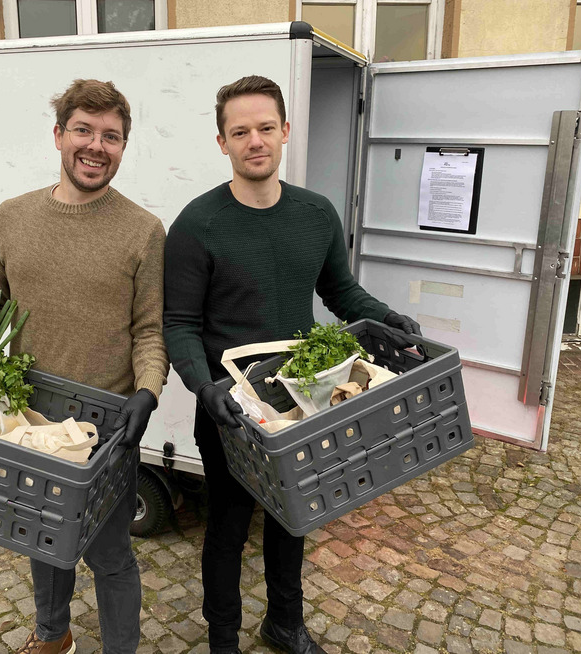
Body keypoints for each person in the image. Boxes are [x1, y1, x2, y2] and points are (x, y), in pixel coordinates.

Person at [163, 75, 420, 654]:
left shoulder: (316, 213)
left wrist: (385, 317)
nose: (254, 141)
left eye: (263, 128)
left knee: (293, 517)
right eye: (239, 132)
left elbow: (340, 290)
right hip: (229, 407)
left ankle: (284, 622)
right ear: (223, 143)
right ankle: (223, 636)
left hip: (300, 397)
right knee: (228, 528)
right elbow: (178, 324)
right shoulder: (197, 225)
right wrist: (205, 391)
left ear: (284, 131)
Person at [0, 79, 169, 654]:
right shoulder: (12, 218)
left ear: (123, 147)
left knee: (110, 556)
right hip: (28, 416)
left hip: (104, 426)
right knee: (43, 536)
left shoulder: (144, 231)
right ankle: (53, 634)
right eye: (83, 129)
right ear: (59, 135)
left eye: (111, 136)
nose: (96, 145)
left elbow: (150, 330)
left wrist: (147, 391)